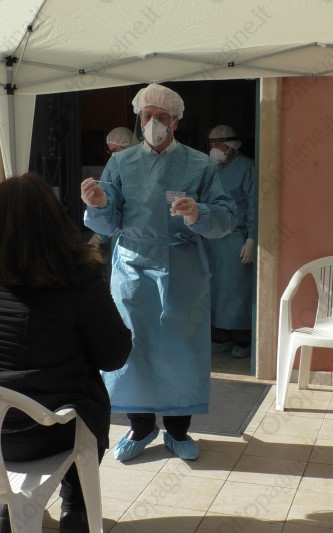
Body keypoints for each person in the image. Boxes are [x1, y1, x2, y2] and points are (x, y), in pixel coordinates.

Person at [0, 173, 132, 533]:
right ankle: (75, 505)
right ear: (55, 220)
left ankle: (13, 509)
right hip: (42, 430)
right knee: (82, 398)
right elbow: (113, 355)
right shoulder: (76, 274)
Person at [80, 83, 236, 462]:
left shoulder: (198, 164)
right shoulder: (122, 163)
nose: (153, 123)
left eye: (162, 117)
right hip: (133, 268)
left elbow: (226, 216)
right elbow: (108, 222)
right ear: (139, 118)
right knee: (135, 347)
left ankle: (178, 430)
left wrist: (197, 213)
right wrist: (98, 204)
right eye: (147, 116)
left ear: (176, 122)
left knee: (181, 347)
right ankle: (141, 425)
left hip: (182, 267)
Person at [207, 125, 257, 359]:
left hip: (237, 239)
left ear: (232, 145)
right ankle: (221, 336)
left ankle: (243, 338)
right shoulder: (212, 169)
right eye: (211, 144)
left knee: (237, 290)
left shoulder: (247, 168)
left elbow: (255, 205)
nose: (214, 149)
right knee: (215, 289)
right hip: (213, 239)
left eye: (219, 144)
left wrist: (252, 238)